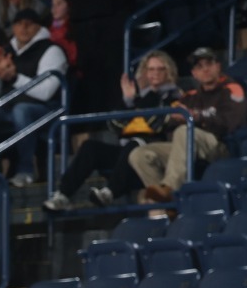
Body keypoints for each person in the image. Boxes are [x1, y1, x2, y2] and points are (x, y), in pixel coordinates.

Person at [44, 50, 181, 209]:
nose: (155, 73)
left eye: (160, 69)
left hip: (151, 157)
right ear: (144, 72)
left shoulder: (175, 96)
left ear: (169, 72)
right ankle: (62, 195)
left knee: (136, 143)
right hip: (126, 155)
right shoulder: (136, 97)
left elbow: (155, 124)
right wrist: (128, 101)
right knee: (90, 148)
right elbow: (114, 126)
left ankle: (109, 193)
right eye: (150, 69)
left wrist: (142, 99)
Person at [128, 47, 247, 203]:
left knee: (185, 130)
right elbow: (167, 125)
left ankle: (169, 188)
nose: (205, 69)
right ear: (194, 74)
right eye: (199, 67)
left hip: (220, 145)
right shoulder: (189, 97)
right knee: (139, 154)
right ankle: (165, 204)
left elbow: (233, 123)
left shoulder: (231, 89)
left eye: (209, 64)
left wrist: (195, 117)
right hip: (187, 145)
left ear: (218, 66)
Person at [0, 8, 68, 182]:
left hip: (47, 110)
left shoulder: (51, 50)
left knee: (22, 111)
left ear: (38, 27)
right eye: (19, 25)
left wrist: (14, 77)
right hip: (11, 109)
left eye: (29, 25)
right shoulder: (7, 51)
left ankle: (26, 170)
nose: (24, 29)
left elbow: (46, 92)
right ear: (13, 28)